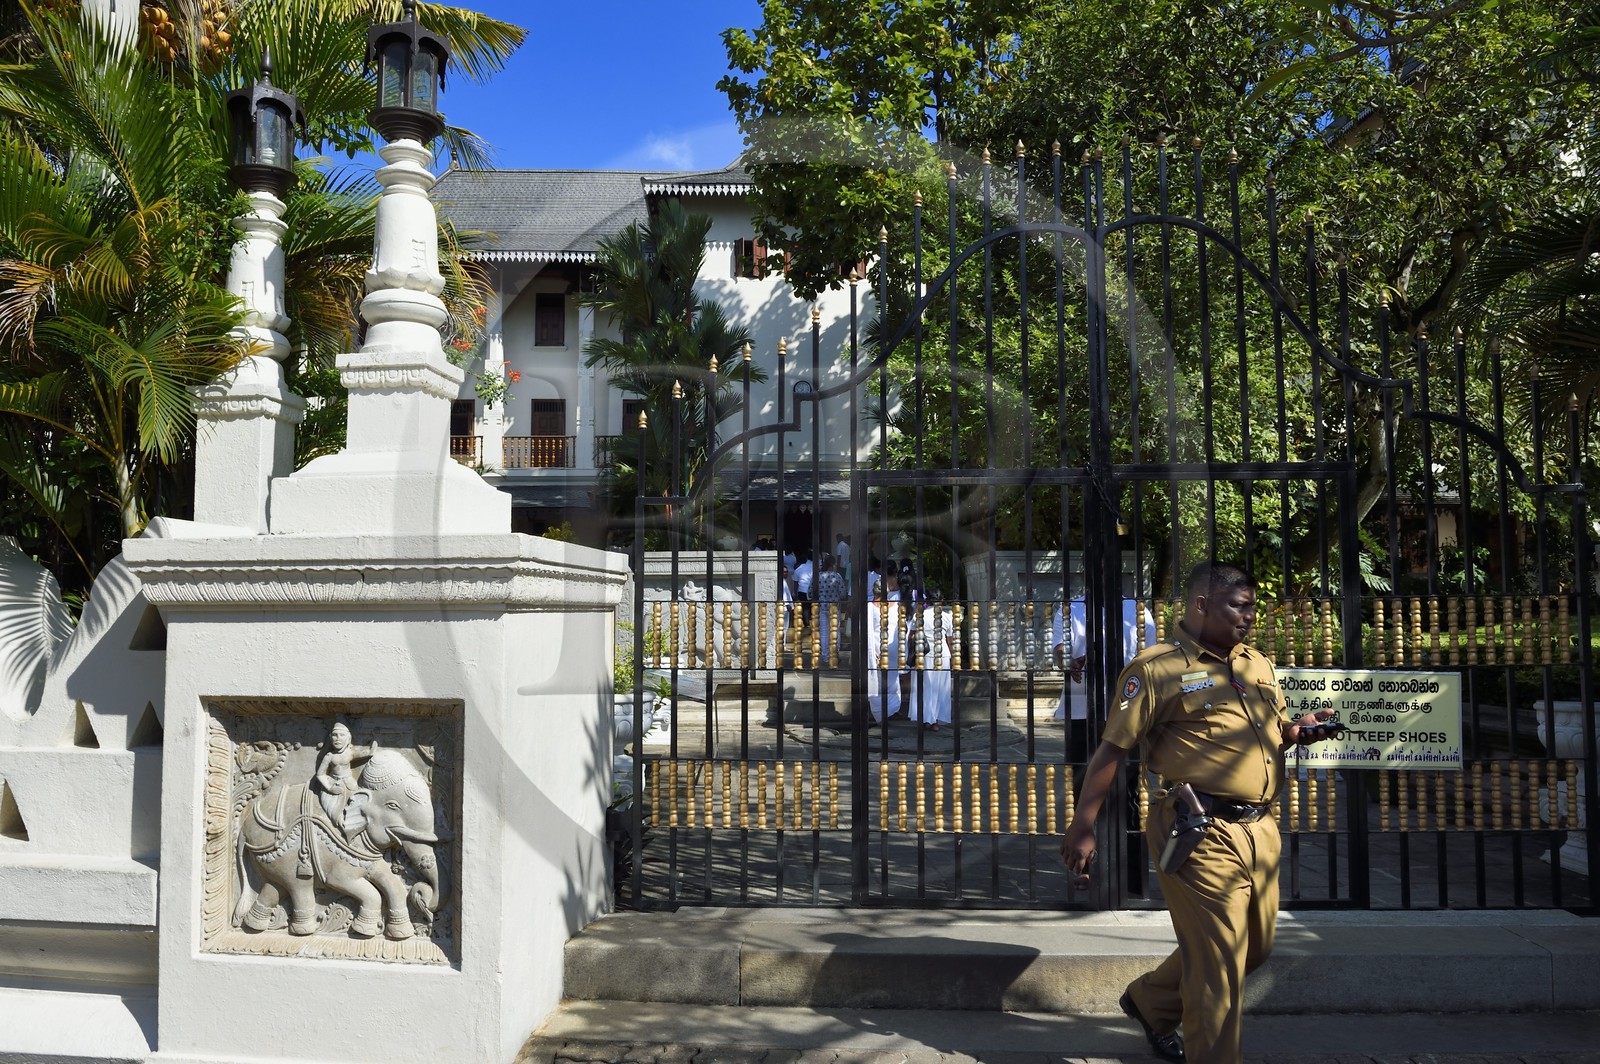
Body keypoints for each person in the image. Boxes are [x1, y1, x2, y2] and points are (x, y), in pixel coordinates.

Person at [1060, 561, 1340, 1064]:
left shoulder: (1256, 663)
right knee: (1218, 970)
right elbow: (1110, 751)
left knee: (1255, 948)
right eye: (1239, 606)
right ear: (1201, 605)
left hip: (1260, 830)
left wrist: (1297, 731)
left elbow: (1274, 729)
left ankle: (1150, 1002)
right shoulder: (1156, 669)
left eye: (1253, 607)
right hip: (1199, 829)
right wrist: (1084, 827)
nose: (1249, 617)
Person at [1052, 596, 1159, 761]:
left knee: (1126, 772)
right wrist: (1066, 660)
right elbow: (1059, 648)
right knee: (1082, 772)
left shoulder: (1138, 609)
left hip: (1128, 705)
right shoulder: (1070, 609)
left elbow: (1151, 656)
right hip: (1082, 708)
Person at [908, 588, 954, 729]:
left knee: (925, 687)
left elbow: (912, 636)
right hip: (943, 655)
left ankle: (925, 718)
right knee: (940, 688)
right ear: (941, 601)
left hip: (924, 654)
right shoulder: (947, 617)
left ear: (927, 600)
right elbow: (950, 640)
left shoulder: (919, 615)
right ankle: (934, 719)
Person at [865, 577, 902, 721]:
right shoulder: (896, 606)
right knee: (892, 678)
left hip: (876, 647)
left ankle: (881, 712)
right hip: (892, 645)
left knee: (878, 680)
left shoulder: (870, 607)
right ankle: (891, 710)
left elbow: (866, 630)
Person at [813, 552, 848, 665]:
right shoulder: (837, 576)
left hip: (822, 606)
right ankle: (835, 654)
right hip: (834, 606)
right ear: (832, 564)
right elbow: (843, 593)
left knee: (823, 632)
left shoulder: (817, 576)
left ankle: (825, 656)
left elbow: (810, 592)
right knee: (835, 631)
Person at [793, 551, 815, 627]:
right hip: (812, 590)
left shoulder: (799, 569)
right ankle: (814, 623)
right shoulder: (815, 568)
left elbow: (795, 583)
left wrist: (795, 594)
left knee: (805, 607)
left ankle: (807, 624)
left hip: (802, 590)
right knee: (814, 606)